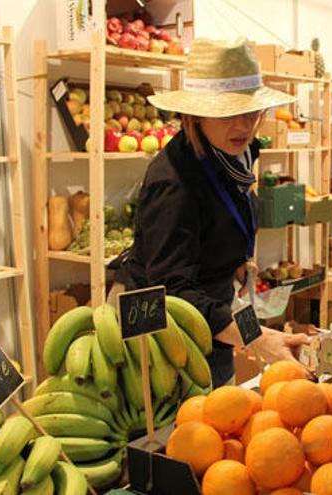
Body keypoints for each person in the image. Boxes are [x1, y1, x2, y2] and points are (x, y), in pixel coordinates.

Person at [113, 39, 309, 387]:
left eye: (251, 112)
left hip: (213, 310)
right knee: (182, 430)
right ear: (197, 113)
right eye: (229, 113)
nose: (244, 125)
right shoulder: (173, 182)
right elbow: (172, 289)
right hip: (161, 325)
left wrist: (233, 258)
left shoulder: (234, 153)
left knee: (224, 414)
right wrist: (259, 339)